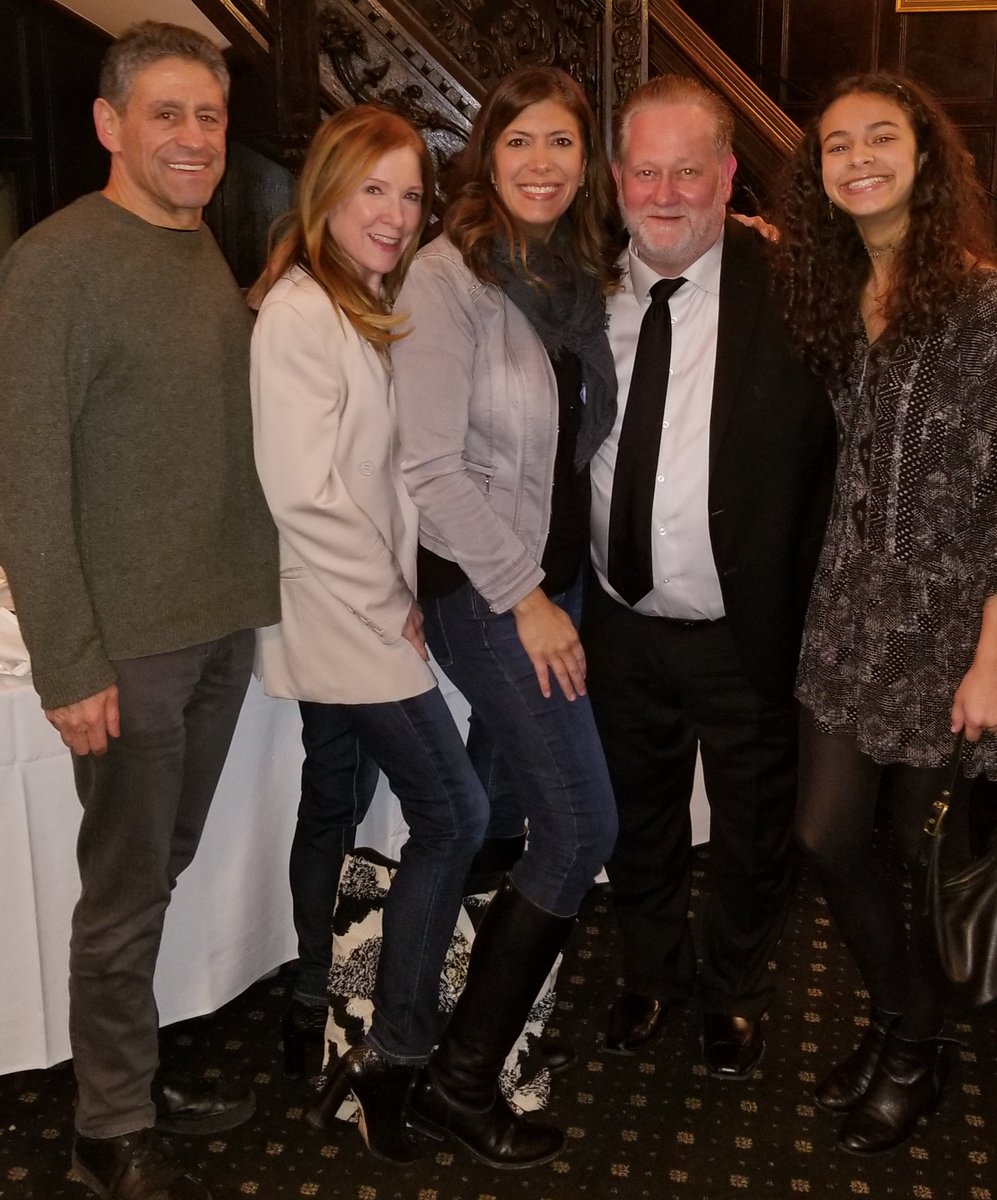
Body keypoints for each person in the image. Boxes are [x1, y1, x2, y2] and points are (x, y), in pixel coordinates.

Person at [0, 22, 279, 1200]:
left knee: (154, 867)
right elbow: (27, 474)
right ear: (111, 123)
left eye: (209, 117)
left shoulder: (199, 247)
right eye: (166, 114)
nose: (194, 138)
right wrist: (69, 662)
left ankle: (132, 1066)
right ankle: (107, 1127)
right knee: (123, 887)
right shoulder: (57, 262)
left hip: (220, 624)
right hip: (129, 649)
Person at [247, 103, 489, 1164]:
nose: (394, 215)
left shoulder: (365, 300)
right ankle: (391, 1052)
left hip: (351, 606)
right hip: (344, 613)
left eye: (408, 194)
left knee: (333, 796)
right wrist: (396, 596)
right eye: (373, 191)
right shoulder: (299, 312)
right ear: (327, 194)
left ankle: (311, 999)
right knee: (454, 810)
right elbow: (303, 496)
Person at [390, 66, 620, 1169]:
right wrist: (525, 600)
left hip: (557, 584)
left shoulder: (573, 270)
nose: (541, 163)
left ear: (586, 160)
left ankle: (441, 1027)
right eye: (519, 141)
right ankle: (458, 1084)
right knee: (582, 830)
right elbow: (431, 468)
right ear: (485, 154)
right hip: (495, 598)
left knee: (513, 819)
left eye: (561, 143)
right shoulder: (449, 279)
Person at [583, 75, 836, 1079]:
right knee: (633, 813)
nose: (666, 191)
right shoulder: (581, 285)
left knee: (752, 825)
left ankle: (732, 990)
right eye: (646, 170)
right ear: (616, 179)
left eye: (690, 169)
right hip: (615, 619)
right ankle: (647, 970)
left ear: (728, 175)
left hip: (746, 624)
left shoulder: (795, 286)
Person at [773, 72, 997, 1155]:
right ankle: (907, 1026)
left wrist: (991, 658)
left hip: (952, 625)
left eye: (880, 138)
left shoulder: (982, 305)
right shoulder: (834, 293)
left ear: (924, 156)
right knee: (824, 832)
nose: (856, 158)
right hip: (847, 606)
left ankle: (910, 1045)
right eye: (834, 146)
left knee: (915, 857)